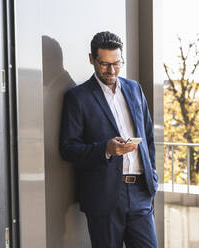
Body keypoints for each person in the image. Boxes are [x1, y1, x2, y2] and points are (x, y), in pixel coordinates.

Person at [59, 31, 158, 248]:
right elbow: (68, 148)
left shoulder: (134, 89)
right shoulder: (78, 97)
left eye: (117, 63)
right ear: (91, 59)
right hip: (104, 196)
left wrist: (153, 178)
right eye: (104, 64)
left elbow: (148, 136)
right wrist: (106, 148)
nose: (112, 70)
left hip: (140, 192)